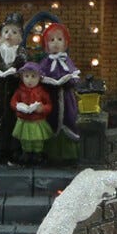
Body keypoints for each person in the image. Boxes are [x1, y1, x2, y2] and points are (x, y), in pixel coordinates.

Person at [0, 12, 27, 163]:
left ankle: (15, 150)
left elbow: (26, 70)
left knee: (15, 120)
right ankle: (0, 149)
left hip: (16, 93)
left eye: (14, 32)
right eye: (6, 31)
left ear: (20, 37)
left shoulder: (21, 53)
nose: (9, 35)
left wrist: (16, 73)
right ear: (1, 35)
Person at [37, 18, 81, 160]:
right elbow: (40, 74)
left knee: (68, 119)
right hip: (50, 98)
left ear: (65, 44)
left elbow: (73, 75)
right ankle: (51, 153)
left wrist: (70, 80)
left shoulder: (66, 61)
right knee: (50, 120)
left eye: (59, 39)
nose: (55, 42)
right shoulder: (46, 62)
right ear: (46, 45)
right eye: (52, 40)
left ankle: (68, 154)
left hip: (66, 98)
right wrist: (46, 81)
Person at [10, 63, 53, 164]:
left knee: (38, 139)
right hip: (24, 122)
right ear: (22, 77)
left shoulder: (42, 92)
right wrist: (18, 106)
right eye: (26, 76)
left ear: (39, 78)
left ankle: (37, 153)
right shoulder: (19, 91)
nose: (30, 80)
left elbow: (49, 105)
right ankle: (27, 153)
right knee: (25, 140)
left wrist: (42, 108)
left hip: (37, 122)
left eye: (33, 76)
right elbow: (13, 102)